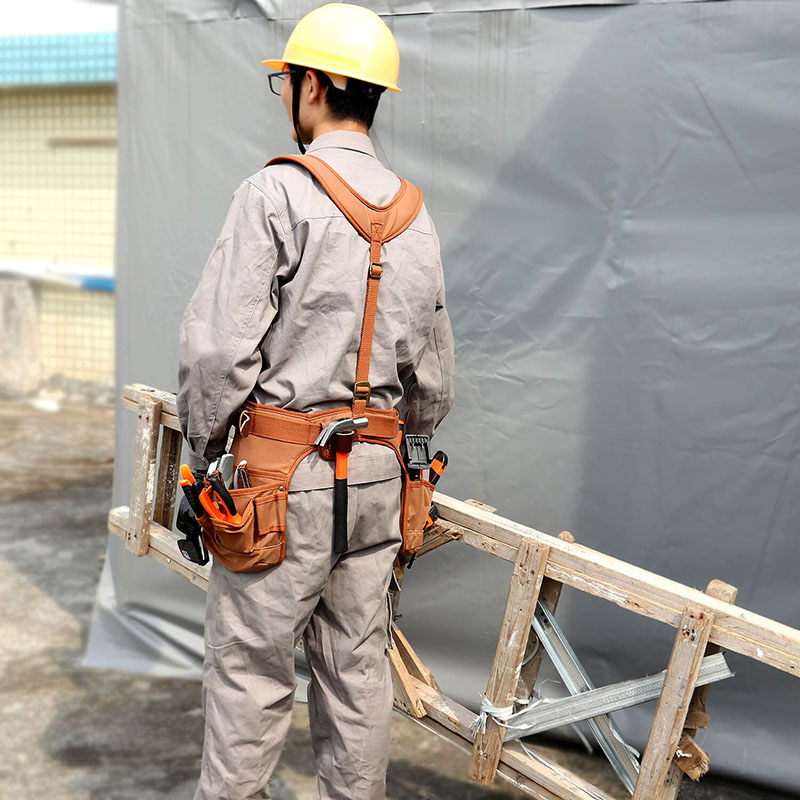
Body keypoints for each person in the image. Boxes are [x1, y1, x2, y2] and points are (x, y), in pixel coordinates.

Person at [177, 4, 455, 798]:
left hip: (275, 484)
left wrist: (204, 459)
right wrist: (411, 460)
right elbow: (431, 379)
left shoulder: (274, 194)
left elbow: (216, 352)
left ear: (315, 84)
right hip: (376, 483)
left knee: (250, 678)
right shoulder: (415, 214)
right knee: (357, 675)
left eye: (289, 80)